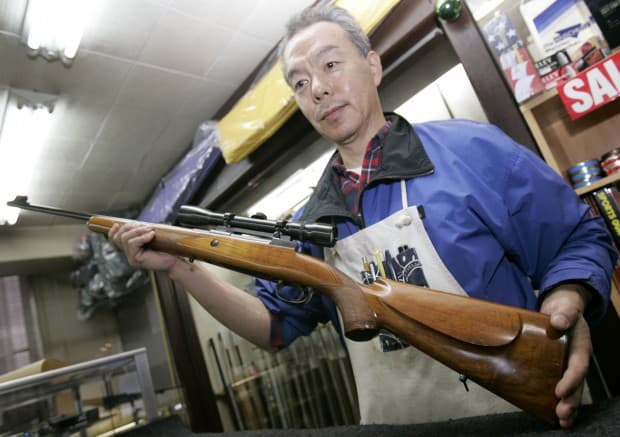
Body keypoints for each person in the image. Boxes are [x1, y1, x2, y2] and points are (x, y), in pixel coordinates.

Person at [109, 4, 616, 429]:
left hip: (519, 418)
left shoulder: (472, 150)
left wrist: (565, 306)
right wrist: (181, 269)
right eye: (300, 82)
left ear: (372, 66)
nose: (318, 88)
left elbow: (579, 238)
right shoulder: (310, 221)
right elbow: (273, 327)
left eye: (330, 65)